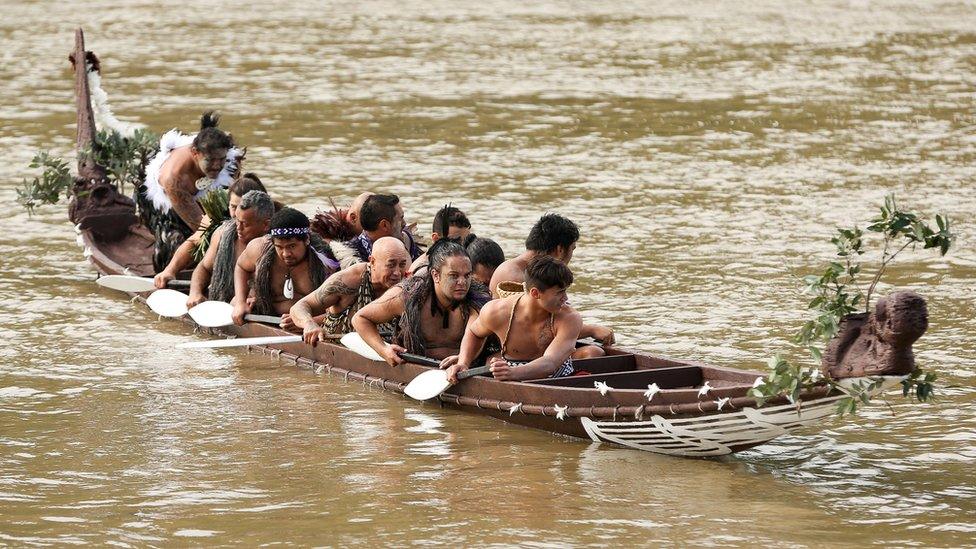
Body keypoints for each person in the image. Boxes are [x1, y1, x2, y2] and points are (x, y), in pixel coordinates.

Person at [488, 212, 614, 353]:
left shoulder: (535, 270)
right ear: (560, 249)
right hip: (521, 352)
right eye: (572, 249)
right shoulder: (515, 275)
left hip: (540, 347)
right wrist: (592, 330)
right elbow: (536, 326)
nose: (572, 255)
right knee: (593, 353)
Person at [445, 256, 584, 382]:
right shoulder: (496, 311)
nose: (566, 298)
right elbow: (474, 333)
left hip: (558, 376)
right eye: (560, 292)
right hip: (511, 377)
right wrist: (464, 362)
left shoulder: (570, 318)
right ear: (535, 293)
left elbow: (550, 363)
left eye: (565, 291)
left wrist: (512, 373)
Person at [352, 240, 490, 366]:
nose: (462, 282)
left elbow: (474, 333)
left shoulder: (477, 300)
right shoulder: (407, 296)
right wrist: (383, 349)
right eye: (454, 276)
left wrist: (463, 360)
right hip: (416, 368)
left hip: (463, 367)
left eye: (467, 275)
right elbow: (360, 318)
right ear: (435, 275)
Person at [138, 111, 243, 271]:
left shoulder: (230, 161)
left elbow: (238, 199)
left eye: (220, 159)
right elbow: (201, 228)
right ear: (195, 153)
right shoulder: (173, 178)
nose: (216, 165)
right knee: (175, 242)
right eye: (210, 160)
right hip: (165, 206)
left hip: (205, 197)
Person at [153, 173, 268, 289]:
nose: (238, 214)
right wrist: (170, 270)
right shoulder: (218, 219)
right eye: (234, 207)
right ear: (228, 205)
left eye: (243, 208)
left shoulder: (270, 222)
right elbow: (194, 242)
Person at [231, 207, 340, 330]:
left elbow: (339, 309)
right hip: (266, 315)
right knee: (235, 302)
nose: (286, 254)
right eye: (279, 247)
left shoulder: (325, 265)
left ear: (306, 240)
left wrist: (308, 322)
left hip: (306, 324)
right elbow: (241, 267)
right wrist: (241, 302)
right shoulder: (259, 249)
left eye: (292, 246)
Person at [290, 237, 410, 343]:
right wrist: (309, 324)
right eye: (391, 265)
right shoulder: (349, 281)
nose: (397, 273)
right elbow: (300, 305)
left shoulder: (407, 284)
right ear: (372, 261)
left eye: (402, 264)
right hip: (337, 347)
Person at [184, 190, 274, 307]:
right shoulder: (223, 233)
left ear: (266, 225)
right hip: (222, 305)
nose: (238, 227)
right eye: (237, 220)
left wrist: (251, 297)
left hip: (256, 309)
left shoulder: (279, 246)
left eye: (245, 224)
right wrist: (195, 292)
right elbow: (204, 267)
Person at [342, 194, 423, 263]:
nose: (404, 223)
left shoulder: (408, 243)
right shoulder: (350, 257)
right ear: (384, 225)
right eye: (401, 218)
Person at [409, 205, 475, 275]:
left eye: (468, 241)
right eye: (455, 242)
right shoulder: (423, 272)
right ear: (436, 239)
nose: (463, 247)